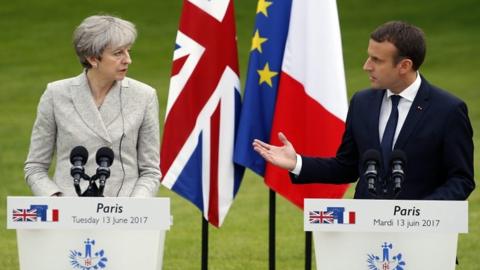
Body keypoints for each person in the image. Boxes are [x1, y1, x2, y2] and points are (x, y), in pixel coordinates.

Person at [253, 21, 475, 200]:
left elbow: (461, 179)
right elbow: (347, 167)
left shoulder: (448, 110)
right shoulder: (362, 102)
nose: (366, 65)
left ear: (404, 66)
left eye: (377, 60)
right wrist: (297, 163)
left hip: (423, 239)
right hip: (365, 237)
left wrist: (416, 215)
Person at [24, 15, 161, 197]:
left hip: (124, 217)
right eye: (118, 53)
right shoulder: (55, 94)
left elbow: (151, 171)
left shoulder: (144, 96)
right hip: (69, 216)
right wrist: (55, 200)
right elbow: (35, 167)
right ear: (93, 59)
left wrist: (133, 208)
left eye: (128, 51)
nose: (128, 60)